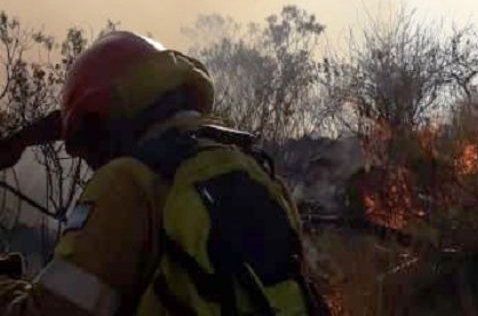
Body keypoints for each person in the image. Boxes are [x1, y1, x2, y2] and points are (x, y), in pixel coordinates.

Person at [0, 31, 329, 315]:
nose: (91, 162)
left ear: (104, 123)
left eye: (89, 144)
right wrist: (23, 139)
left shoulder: (127, 182)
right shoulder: (253, 168)